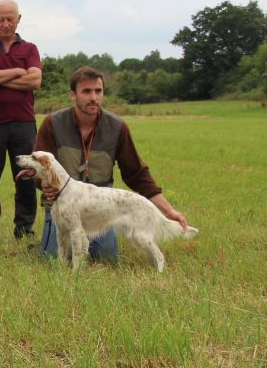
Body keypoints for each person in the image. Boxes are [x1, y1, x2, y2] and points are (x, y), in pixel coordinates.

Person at [34, 66, 188, 261]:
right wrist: (45, 185)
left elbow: (137, 174)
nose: (94, 97)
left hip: (100, 210)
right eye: (87, 91)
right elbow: (37, 169)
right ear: (73, 95)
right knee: (52, 258)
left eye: (98, 91)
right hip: (62, 206)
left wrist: (169, 210)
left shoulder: (117, 127)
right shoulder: (52, 123)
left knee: (106, 257)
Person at [0, 0, 43, 241]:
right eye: (0, 19)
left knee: (25, 176)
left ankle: (25, 228)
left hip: (23, 123)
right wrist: (17, 72)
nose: (5, 23)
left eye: (10, 18)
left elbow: (35, 81)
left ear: (18, 19)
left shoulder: (30, 49)